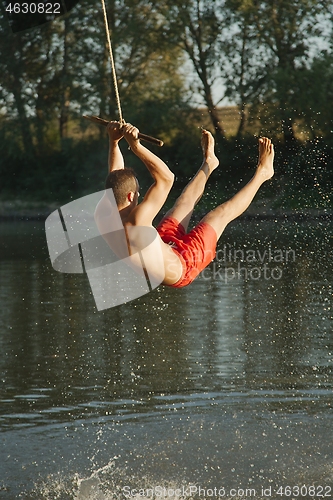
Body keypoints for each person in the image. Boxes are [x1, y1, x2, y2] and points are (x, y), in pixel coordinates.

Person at [94, 121, 274, 288]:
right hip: (182, 266)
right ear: (131, 195)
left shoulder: (102, 215)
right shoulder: (137, 222)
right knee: (219, 215)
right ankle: (263, 173)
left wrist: (114, 142)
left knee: (182, 204)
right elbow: (166, 179)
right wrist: (136, 146)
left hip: (164, 246)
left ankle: (209, 163)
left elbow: (116, 176)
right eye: (139, 192)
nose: (139, 195)